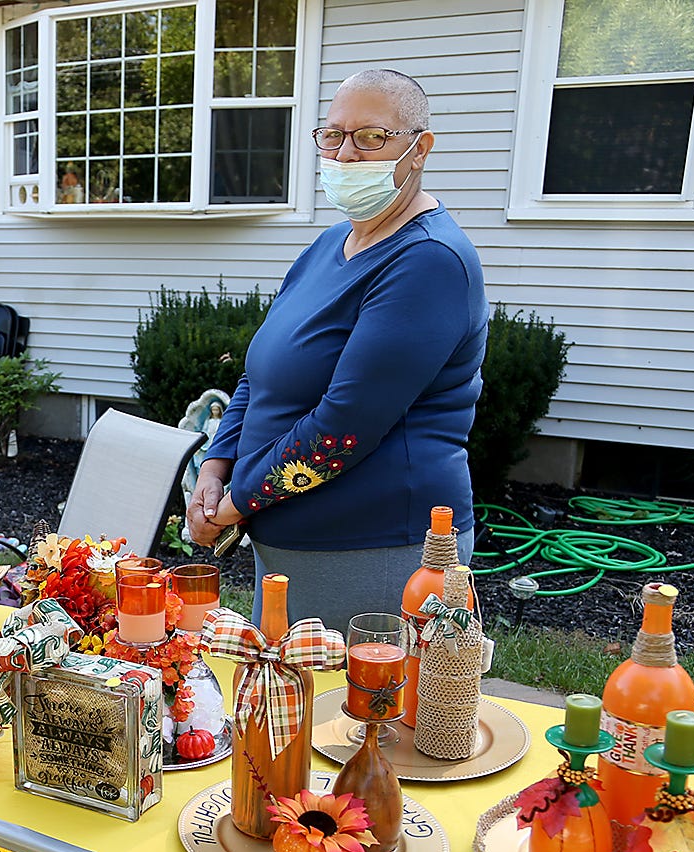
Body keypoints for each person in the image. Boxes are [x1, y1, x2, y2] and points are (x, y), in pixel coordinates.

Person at [186, 69, 487, 630]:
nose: (347, 154)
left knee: (358, 714)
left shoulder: (427, 261)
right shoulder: (331, 244)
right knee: (283, 705)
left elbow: (343, 426)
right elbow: (260, 373)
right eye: (333, 135)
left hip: (372, 548)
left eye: (372, 137)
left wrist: (234, 505)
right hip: (283, 533)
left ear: (419, 149)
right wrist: (215, 467)